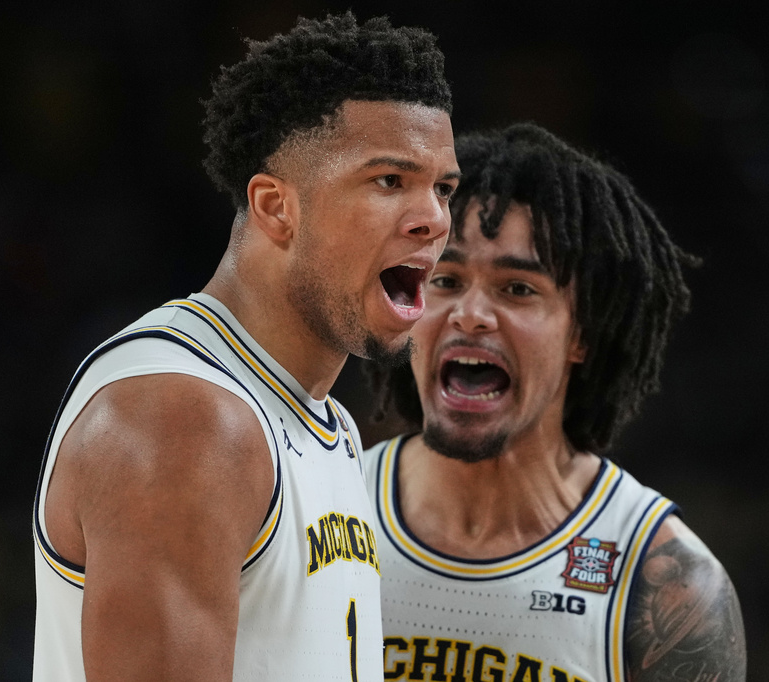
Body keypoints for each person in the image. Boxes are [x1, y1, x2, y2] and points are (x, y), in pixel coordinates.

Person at [32, 13, 460, 681]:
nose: (434, 218)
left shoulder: (325, 422)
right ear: (275, 206)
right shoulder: (186, 419)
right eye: (388, 181)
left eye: (443, 188)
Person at [363, 123, 746, 682]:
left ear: (582, 335)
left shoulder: (665, 582)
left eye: (517, 289)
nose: (470, 314)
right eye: (444, 280)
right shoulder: (319, 510)